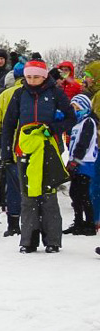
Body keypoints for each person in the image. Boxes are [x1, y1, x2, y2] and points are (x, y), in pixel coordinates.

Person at [1, 60, 76, 253]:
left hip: (49, 148)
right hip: (25, 150)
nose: (32, 81)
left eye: (36, 76)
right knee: (28, 196)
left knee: (48, 195)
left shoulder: (55, 93)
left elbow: (71, 117)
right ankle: (29, 240)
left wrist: (54, 129)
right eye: (29, 77)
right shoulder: (19, 94)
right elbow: (9, 124)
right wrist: (6, 150)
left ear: (44, 76)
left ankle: (52, 240)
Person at [0, 62, 24, 236]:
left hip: (11, 147)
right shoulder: (40, 93)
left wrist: (3, 133)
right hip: (37, 149)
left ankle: (14, 223)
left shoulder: (6, 94)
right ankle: (36, 223)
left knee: (14, 188)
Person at [64, 94, 97, 235]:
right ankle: (78, 222)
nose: (75, 110)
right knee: (74, 193)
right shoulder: (77, 123)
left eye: (77, 107)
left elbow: (84, 142)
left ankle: (89, 224)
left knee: (83, 194)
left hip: (85, 162)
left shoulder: (88, 122)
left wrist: (75, 160)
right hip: (76, 162)